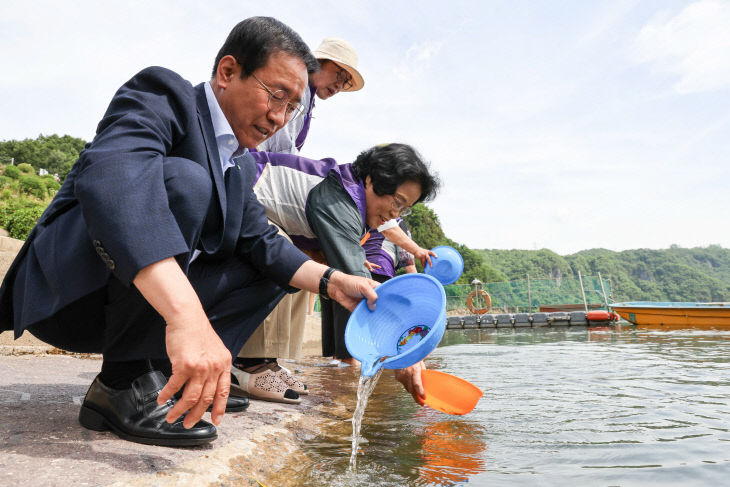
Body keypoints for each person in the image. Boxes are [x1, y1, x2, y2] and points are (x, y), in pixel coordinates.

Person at [0, 17, 380, 447]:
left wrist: (335, 282)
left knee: (275, 263)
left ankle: (167, 376)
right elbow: (111, 178)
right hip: (74, 295)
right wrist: (186, 317)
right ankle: (123, 383)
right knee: (186, 181)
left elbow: (264, 242)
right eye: (276, 95)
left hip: (136, 308)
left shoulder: (239, 163)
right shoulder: (165, 96)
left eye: (293, 107)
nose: (279, 117)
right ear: (227, 72)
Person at [240, 144, 439, 396]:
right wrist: (401, 349)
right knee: (287, 255)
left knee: (309, 271)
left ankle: (267, 360)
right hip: (238, 195)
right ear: (371, 180)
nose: (394, 214)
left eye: (403, 208)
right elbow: (360, 283)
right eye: (397, 202)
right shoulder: (341, 199)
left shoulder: (354, 200)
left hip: (262, 218)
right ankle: (248, 362)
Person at [234, 37, 365, 399]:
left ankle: (268, 358)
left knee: (300, 258)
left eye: (346, 83)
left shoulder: (306, 102)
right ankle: (250, 362)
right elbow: (274, 147)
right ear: (317, 62)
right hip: (253, 175)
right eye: (338, 75)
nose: (339, 86)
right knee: (284, 250)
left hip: (262, 173)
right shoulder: (299, 90)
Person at [363, 219, 418, 283]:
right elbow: (407, 261)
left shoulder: (370, 218)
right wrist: (417, 285)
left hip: (359, 266)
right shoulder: (399, 222)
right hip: (380, 269)